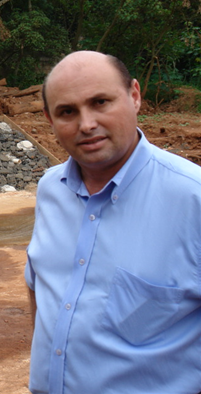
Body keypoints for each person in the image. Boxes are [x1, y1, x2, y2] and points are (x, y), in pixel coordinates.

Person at [25, 50, 201, 394]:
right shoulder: (50, 190)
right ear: (49, 119)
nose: (86, 124)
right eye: (67, 111)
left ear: (135, 96)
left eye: (100, 102)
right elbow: (39, 283)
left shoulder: (192, 199)